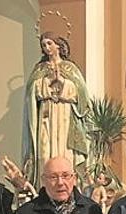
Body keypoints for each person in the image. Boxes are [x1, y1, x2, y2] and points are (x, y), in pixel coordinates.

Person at [22, 32, 90, 187]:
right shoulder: (40, 69)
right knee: (45, 153)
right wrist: (47, 83)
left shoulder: (70, 68)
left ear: (58, 45)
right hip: (46, 115)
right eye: (43, 45)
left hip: (65, 115)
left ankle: (67, 188)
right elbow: (31, 93)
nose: (46, 48)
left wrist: (62, 83)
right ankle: (44, 189)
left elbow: (82, 96)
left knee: (65, 155)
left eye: (49, 44)